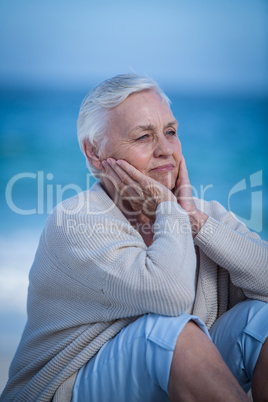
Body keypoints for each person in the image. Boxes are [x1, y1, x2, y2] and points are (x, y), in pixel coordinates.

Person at [1, 74, 268, 402]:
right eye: (144, 136)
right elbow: (172, 298)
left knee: (262, 320)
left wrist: (196, 222)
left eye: (170, 132)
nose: (165, 150)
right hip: (67, 390)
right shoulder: (75, 220)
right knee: (172, 333)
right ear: (94, 152)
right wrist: (170, 209)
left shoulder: (200, 214)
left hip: (165, 378)